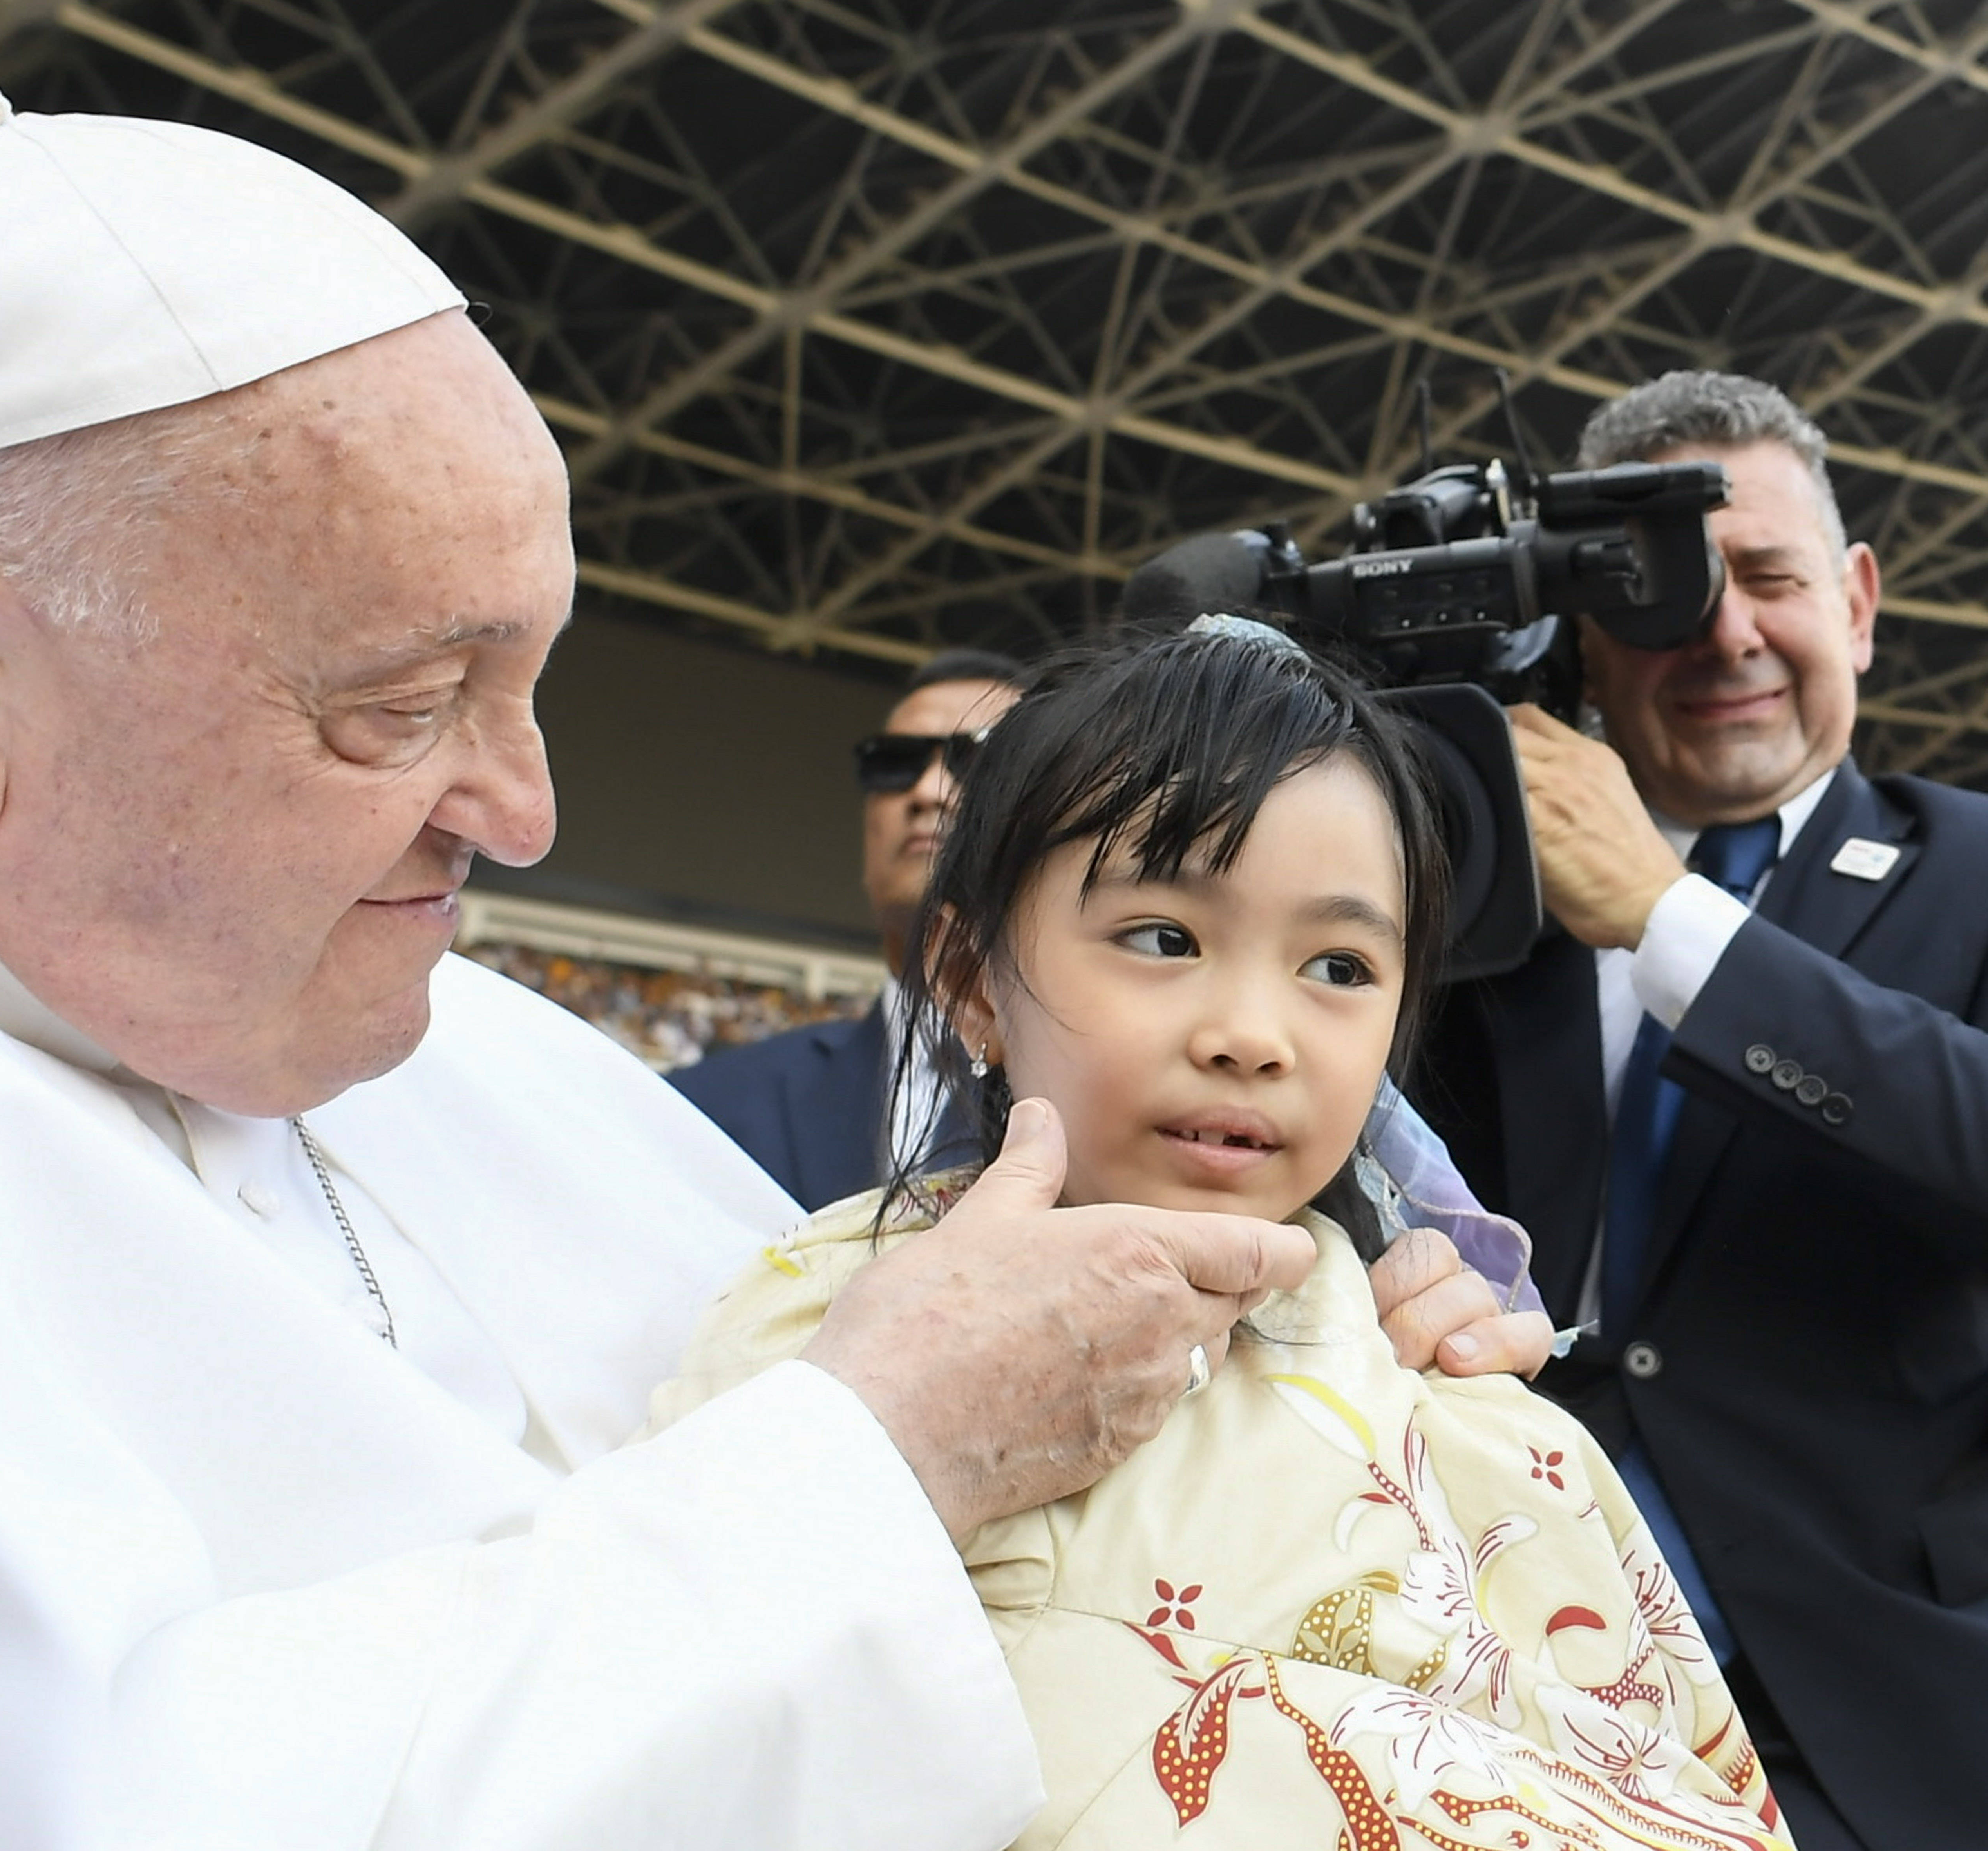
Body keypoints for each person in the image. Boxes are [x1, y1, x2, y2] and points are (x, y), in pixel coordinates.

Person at [0, 91, 1550, 1851]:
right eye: (395, 704)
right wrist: (869, 1461)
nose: (519, 811)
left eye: (524, 680)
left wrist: (1320, 1359)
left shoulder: (419, 1027)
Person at [649, 621, 1777, 1850]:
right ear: (972, 980)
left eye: (1339, 964)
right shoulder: (826, 1317)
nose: (1255, 1031)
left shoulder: (1473, 1405)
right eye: (1165, 938)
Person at [1409, 369, 1988, 1851]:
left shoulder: (1971, 869)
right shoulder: (1474, 917)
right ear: (1586, 639)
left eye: (1772, 580)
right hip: (1495, 1681)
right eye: (1668, 591)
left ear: (1855, 602)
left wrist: (1667, 919)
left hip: (1872, 1710)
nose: (1726, 631)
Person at [670, 648, 1023, 1208]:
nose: (928, 791)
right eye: (894, 763)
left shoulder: (1139, 1107)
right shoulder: (702, 1109)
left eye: (976, 757)